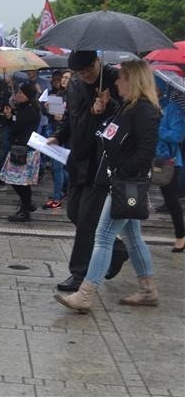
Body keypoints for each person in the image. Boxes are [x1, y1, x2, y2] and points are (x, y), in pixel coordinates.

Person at [54, 59, 161, 311]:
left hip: (126, 184)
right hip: (121, 181)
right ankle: (148, 289)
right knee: (133, 237)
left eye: (121, 77)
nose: (116, 81)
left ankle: (86, 293)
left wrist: (120, 173)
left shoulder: (145, 110)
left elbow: (145, 152)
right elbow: (117, 132)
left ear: (133, 80)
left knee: (102, 236)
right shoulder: (127, 107)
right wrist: (108, 104)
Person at [48, 51, 129, 292]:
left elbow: (128, 116)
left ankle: (79, 274)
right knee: (74, 212)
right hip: (78, 157)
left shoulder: (115, 79)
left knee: (85, 219)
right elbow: (72, 118)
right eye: (80, 72)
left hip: (102, 159)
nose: (85, 76)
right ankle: (116, 249)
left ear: (98, 61)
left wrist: (107, 105)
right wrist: (57, 135)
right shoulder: (73, 84)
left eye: (89, 70)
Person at [0, 82, 42, 222]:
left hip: (24, 150)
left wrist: (11, 117)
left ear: (28, 96)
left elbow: (16, 128)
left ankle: (25, 208)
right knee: (16, 180)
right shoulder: (22, 108)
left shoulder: (29, 110)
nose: (17, 95)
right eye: (17, 92)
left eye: (21, 93)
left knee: (20, 181)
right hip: (19, 149)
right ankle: (26, 204)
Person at [154, 76, 185, 252]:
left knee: (171, 199)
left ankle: (181, 235)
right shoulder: (150, 105)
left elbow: (177, 135)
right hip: (147, 158)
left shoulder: (173, 109)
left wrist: (158, 125)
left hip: (168, 161)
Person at [42, 70, 70, 210]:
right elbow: (53, 114)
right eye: (63, 78)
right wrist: (48, 108)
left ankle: (58, 197)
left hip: (67, 135)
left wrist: (63, 115)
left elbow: (72, 116)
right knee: (59, 167)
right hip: (56, 132)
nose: (63, 80)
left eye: (66, 78)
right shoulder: (59, 94)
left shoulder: (73, 96)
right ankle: (60, 192)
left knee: (58, 167)